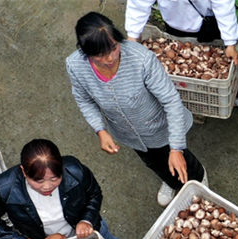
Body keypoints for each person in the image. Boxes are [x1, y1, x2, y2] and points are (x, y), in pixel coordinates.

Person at [66, 12, 207, 208]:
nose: (109, 58)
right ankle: (170, 181)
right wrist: (100, 129)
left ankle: (199, 185)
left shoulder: (142, 60)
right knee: (153, 161)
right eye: (99, 54)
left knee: (184, 163)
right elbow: (83, 99)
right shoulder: (75, 66)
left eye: (114, 47)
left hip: (160, 128)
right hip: (128, 133)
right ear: (85, 51)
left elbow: (171, 101)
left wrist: (176, 148)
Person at [0, 139, 128, 239]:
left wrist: (87, 219)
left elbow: (94, 194)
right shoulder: (3, 188)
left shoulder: (75, 171)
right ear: (23, 171)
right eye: (38, 181)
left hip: (90, 230)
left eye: (54, 179)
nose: (47, 186)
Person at [124, 0, 238, 120]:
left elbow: (223, 3)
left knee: (228, 63)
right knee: (186, 76)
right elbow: (138, 3)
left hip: (208, 21)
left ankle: (237, 96)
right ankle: (196, 106)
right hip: (175, 23)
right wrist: (133, 34)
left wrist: (230, 41)